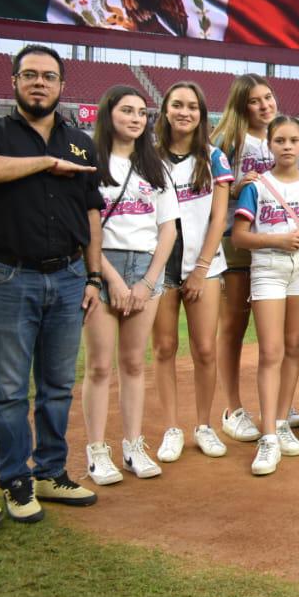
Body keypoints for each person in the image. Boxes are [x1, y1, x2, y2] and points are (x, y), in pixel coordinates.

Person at [0, 44, 102, 522]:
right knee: (10, 388)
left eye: (48, 76)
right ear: (13, 81)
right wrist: (45, 164)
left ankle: (50, 471)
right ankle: (15, 479)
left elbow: (91, 213)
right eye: (29, 74)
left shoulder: (80, 141)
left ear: (61, 85)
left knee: (56, 385)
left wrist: (92, 275)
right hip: (12, 275)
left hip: (70, 275)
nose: (39, 83)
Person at [82, 85, 178, 484]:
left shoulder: (155, 167)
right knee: (101, 365)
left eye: (142, 112)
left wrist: (148, 282)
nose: (136, 119)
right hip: (102, 265)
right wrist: (115, 280)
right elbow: (86, 229)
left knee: (135, 363)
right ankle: (96, 451)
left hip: (146, 268)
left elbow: (168, 229)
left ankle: (133, 445)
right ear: (109, 114)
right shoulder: (91, 161)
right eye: (127, 111)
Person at [232, 116, 299, 476]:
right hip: (268, 267)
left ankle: (283, 420)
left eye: (293, 140)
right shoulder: (257, 185)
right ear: (269, 145)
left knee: (291, 347)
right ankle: (268, 434)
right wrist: (278, 240)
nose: (287, 147)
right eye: (279, 140)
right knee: (270, 351)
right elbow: (240, 237)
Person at [152, 81, 234, 462]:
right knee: (164, 347)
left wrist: (201, 268)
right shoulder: (148, 157)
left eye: (193, 107)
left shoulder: (213, 157)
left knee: (204, 348)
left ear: (202, 114)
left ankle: (204, 425)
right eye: (178, 104)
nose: (185, 112)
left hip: (205, 265)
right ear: (165, 110)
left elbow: (219, 217)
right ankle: (172, 428)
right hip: (160, 265)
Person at [209, 73, 275, 443]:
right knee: (234, 325)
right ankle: (232, 408)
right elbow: (209, 192)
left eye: (268, 97)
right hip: (236, 239)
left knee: (274, 328)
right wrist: (235, 187)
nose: (265, 105)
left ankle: (278, 404)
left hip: (275, 238)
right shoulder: (227, 141)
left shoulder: (282, 133)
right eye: (255, 100)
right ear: (241, 105)